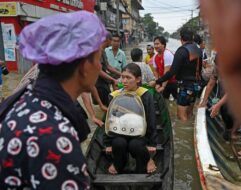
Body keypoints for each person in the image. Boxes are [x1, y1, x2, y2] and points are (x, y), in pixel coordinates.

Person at [0, 11, 107, 189]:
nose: (100, 66)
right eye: (98, 58)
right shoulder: (54, 138)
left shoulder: (24, 99)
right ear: (84, 66)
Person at [199, 0, 241, 130]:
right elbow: (211, 82)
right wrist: (204, 101)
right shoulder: (219, 64)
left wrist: (218, 105)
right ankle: (231, 130)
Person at [104, 63, 157, 175]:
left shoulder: (145, 95)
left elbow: (151, 119)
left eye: (128, 78)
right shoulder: (114, 96)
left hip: (140, 134)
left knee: (135, 145)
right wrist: (108, 143)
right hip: (120, 133)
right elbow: (109, 120)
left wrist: (152, 143)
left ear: (138, 79)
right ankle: (118, 163)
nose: (124, 81)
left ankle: (148, 159)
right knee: (118, 143)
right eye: (123, 77)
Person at [155, 28, 202, 121]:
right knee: (189, 113)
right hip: (196, 85)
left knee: (181, 116)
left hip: (185, 86)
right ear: (192, 38)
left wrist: (158, 81)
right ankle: (190, 131)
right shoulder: (197, 49)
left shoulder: (182, 51)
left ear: (181, 38)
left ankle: (184, 134)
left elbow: (172, 72)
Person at [94, 33, 121, 108]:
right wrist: (113, 79)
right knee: (106, 103)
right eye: (112, 40)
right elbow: (98, 71)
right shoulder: (97, 51)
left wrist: (121, 74)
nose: (113, 42)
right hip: (98, 81)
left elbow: (108, 66)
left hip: (103, 79)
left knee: (108, 102)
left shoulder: (103, 51)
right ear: (107, 40)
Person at [153, 36, 177, 100]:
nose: (155, 46)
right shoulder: (155, 56)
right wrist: (158, 83)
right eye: (155, 44)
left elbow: (167, 72)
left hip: (173, 81)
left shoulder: (167, 54)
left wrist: (163, 86)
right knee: (164, 101)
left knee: (178, 101)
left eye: (157, 44)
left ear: (163, 45)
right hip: (163, 80)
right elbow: (155, 71)